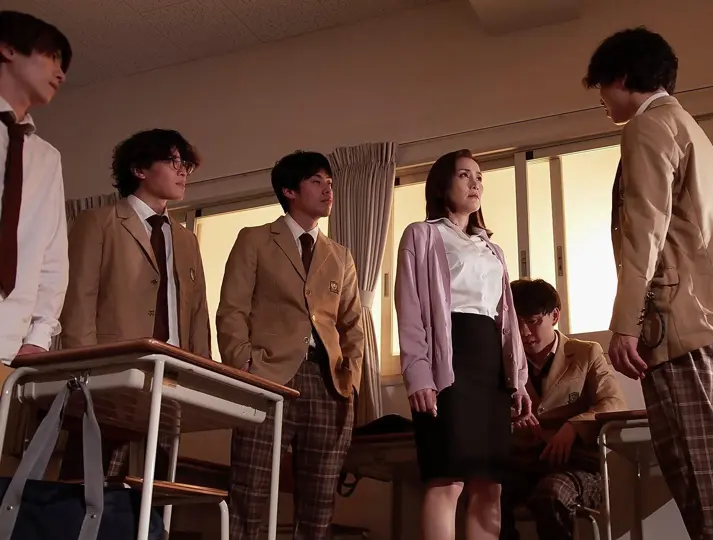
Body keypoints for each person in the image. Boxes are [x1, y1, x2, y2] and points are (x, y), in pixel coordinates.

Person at [583, 27, 713, 538]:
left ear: (624, 76)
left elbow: (644, 230)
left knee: (699, 471)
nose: (600, 97)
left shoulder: (647, 127)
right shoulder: (691, 128)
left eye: (602, 84)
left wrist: (626, 323)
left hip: (682, 322)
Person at [217, 150, 363, 540]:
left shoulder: (340, 256)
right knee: (250, 493)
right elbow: (232, 309)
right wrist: (243, 365)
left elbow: (352, 325)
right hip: (267, 377)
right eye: (316, 181)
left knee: (319, 505)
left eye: (330, 182)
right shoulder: (255, 239)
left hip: (328, 384)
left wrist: (350, 380)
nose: (328, 189)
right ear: (289, 190)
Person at [395, 149, 533, 540]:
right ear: (442, 185)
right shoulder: (422, 235)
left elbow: (506, 317)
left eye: (479, 177)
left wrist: (518, 380)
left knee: (490, 485)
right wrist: (418, 373)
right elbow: (409, 308)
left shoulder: (491, 248)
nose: (475, 183)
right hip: (448, 362)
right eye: (464, 175)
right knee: (447, 478)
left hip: (491, 365)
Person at [59, 128, 211, 479]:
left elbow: (198, 313)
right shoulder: (98, 222)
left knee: (154, 487)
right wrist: (87, 376)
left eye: (186, 163)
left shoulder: (186, 239)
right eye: (172, 161)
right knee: (88, 483)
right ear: (139, 169)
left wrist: (201, 376)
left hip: (171, 377)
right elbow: (79, 303)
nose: (182, 171)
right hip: (111, 375)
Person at [500, 278, 626, 540]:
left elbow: (613, 403)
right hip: (521, 462)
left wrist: (574, 426)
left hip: (577, 464)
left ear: (555, 316)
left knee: (551, 494)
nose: (524, 332)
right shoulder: (503, 362)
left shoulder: (586, 352)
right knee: (487, 493)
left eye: (533, 321)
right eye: (516, 323)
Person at [0, 11, 70, 364]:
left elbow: (52, 252)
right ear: (9, 48)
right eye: (52, 56)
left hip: (10, 343)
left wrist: (41, 335)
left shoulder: (46, 158)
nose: (60, 73)